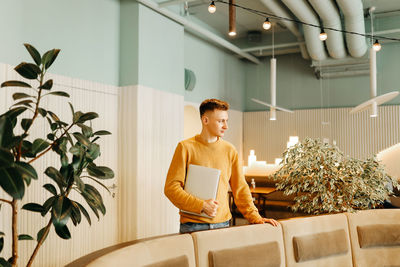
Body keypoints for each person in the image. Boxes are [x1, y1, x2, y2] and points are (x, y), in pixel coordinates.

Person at [165, 98, 279, 234]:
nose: (226, 126)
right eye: (221, 121)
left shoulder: (230, 150)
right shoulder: (185, 148)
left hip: (223, 225)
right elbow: (171, 188)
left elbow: (240, 188)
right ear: (205, 120)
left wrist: (256, 217)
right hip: (192, 226)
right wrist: (201, 205)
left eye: (226, 121)